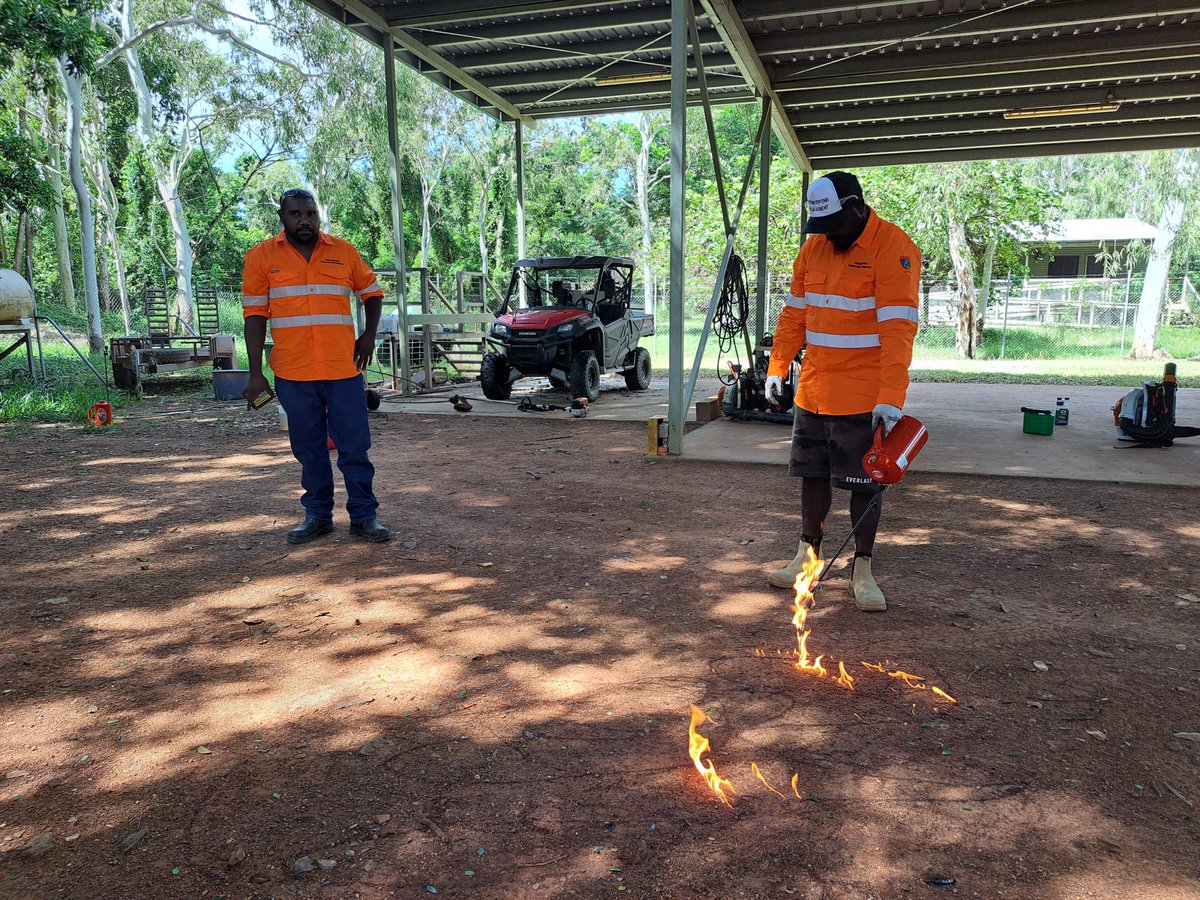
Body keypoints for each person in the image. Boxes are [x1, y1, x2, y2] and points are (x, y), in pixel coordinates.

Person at [764, 171, 920, 611]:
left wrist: (890, 396)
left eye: (833, 223)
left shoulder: (893, 248)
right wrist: (778, 365)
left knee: (865, 483)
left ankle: (862, 570)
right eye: (821, 225)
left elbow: (898, 331)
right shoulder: (814, 247)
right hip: (815, 388)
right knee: (811, 475)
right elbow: (794, 315)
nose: (827, 233)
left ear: (856, 208)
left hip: (864, 394)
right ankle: (806, 559)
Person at [240, 188, 391, 545]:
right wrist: (255, 373)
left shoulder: (343, 251)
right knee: (309, 449)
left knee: (354, 447)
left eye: (310, 213)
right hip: (294, 372)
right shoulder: (261, 257)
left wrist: (369, 336)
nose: (304, 220)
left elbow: (372, 293)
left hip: (343, 369)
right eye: (295, 214)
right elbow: (254, 315)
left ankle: (364, 516)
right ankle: (318, 515)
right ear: (282, 217)